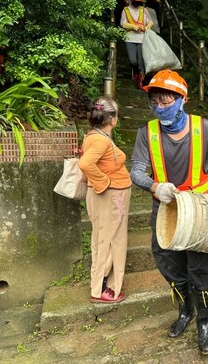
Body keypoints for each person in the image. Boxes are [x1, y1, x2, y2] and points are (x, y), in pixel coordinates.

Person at [130, 70, 208, 355]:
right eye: (155, 103)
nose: (160, 108)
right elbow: (136, 171)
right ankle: (186, 310)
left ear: (182, 99)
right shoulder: (146, 133)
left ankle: (205, 321)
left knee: (199, 269)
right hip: (164, 212)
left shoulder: (204, 128)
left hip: (199, 213)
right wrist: (154, 186)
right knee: (170, 267)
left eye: (166, 102)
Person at [78, 97, 132, 304]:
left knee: (103, 238)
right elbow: (85, 164)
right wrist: (104, 182)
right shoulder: (100, 140)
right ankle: (106, 288)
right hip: (111, 195)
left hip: (106, 195)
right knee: (113, 240)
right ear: (113, 120)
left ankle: (101, 284)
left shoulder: (93, 136)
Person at [120, 0, 154, 89]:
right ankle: (135, 71)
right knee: (132, 60)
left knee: (140, 60)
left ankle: (140, 79)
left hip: (142, 39)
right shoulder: (125, 10)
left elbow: (151, 21)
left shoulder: (144, 10)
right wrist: (133, 27)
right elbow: (122, 23)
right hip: (130, 38)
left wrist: (147, 27)